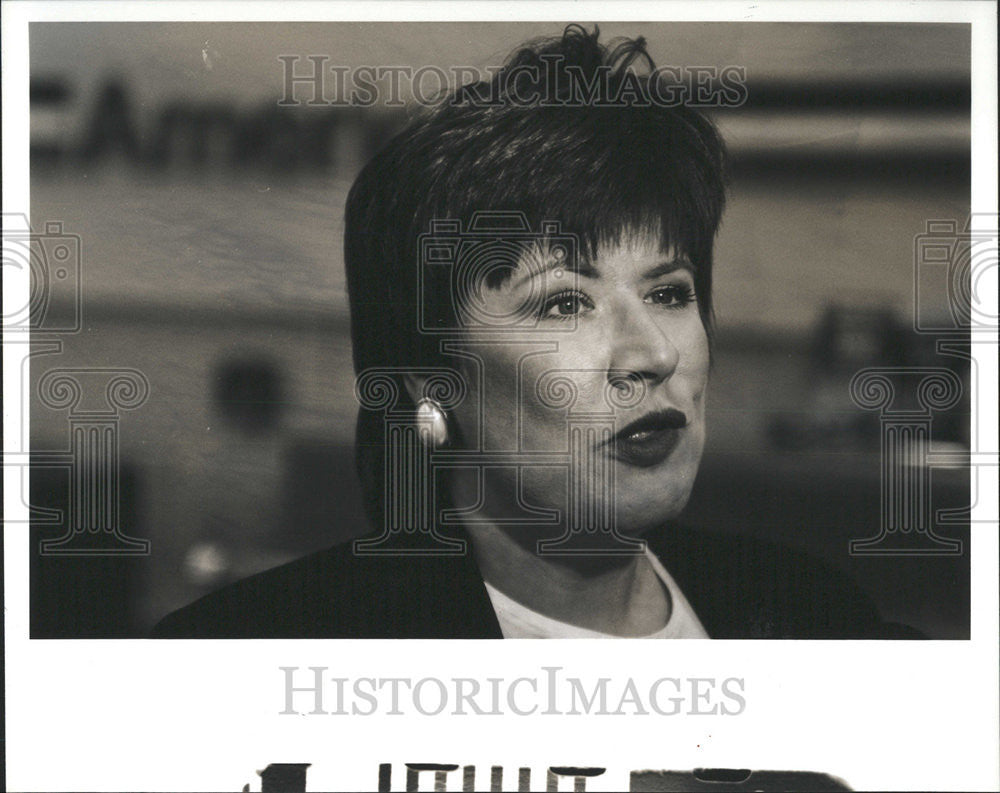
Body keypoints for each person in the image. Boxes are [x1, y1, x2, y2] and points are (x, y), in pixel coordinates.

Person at [152, 25, 919, 640]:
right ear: (431, 377)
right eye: (563, 304)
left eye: (670, 290)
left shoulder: (813, 618)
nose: (652, 353)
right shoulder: (253, 657)